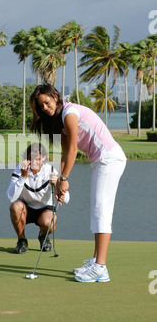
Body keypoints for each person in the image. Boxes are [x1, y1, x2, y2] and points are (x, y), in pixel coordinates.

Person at [30, 83, 126, 283]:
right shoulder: (61, 122)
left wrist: (64, 178)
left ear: (55, 96)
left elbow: (74, 148)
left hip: (109, 158)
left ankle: (100, 267)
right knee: (97, 210)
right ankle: (96, 260)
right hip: (101, 161)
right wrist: (61, 181)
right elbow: (66, 153)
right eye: (41, 107)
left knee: (101, 211)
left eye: (47, 102)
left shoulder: (69, 113)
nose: (46, 108)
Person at [6, 143, 69, 254]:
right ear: (27, 158)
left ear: (44, 158)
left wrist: (57, 186)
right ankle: (22, 240)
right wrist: (23, 177)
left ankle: (43, 237)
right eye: (31, 158)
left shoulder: (51, 170)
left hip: (44, 209)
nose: (34, 162)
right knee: (15, 207)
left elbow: (67, 198)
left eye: (38, 159)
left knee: (50, 221)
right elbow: (10, 197)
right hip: (25, 208)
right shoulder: (19, 170)